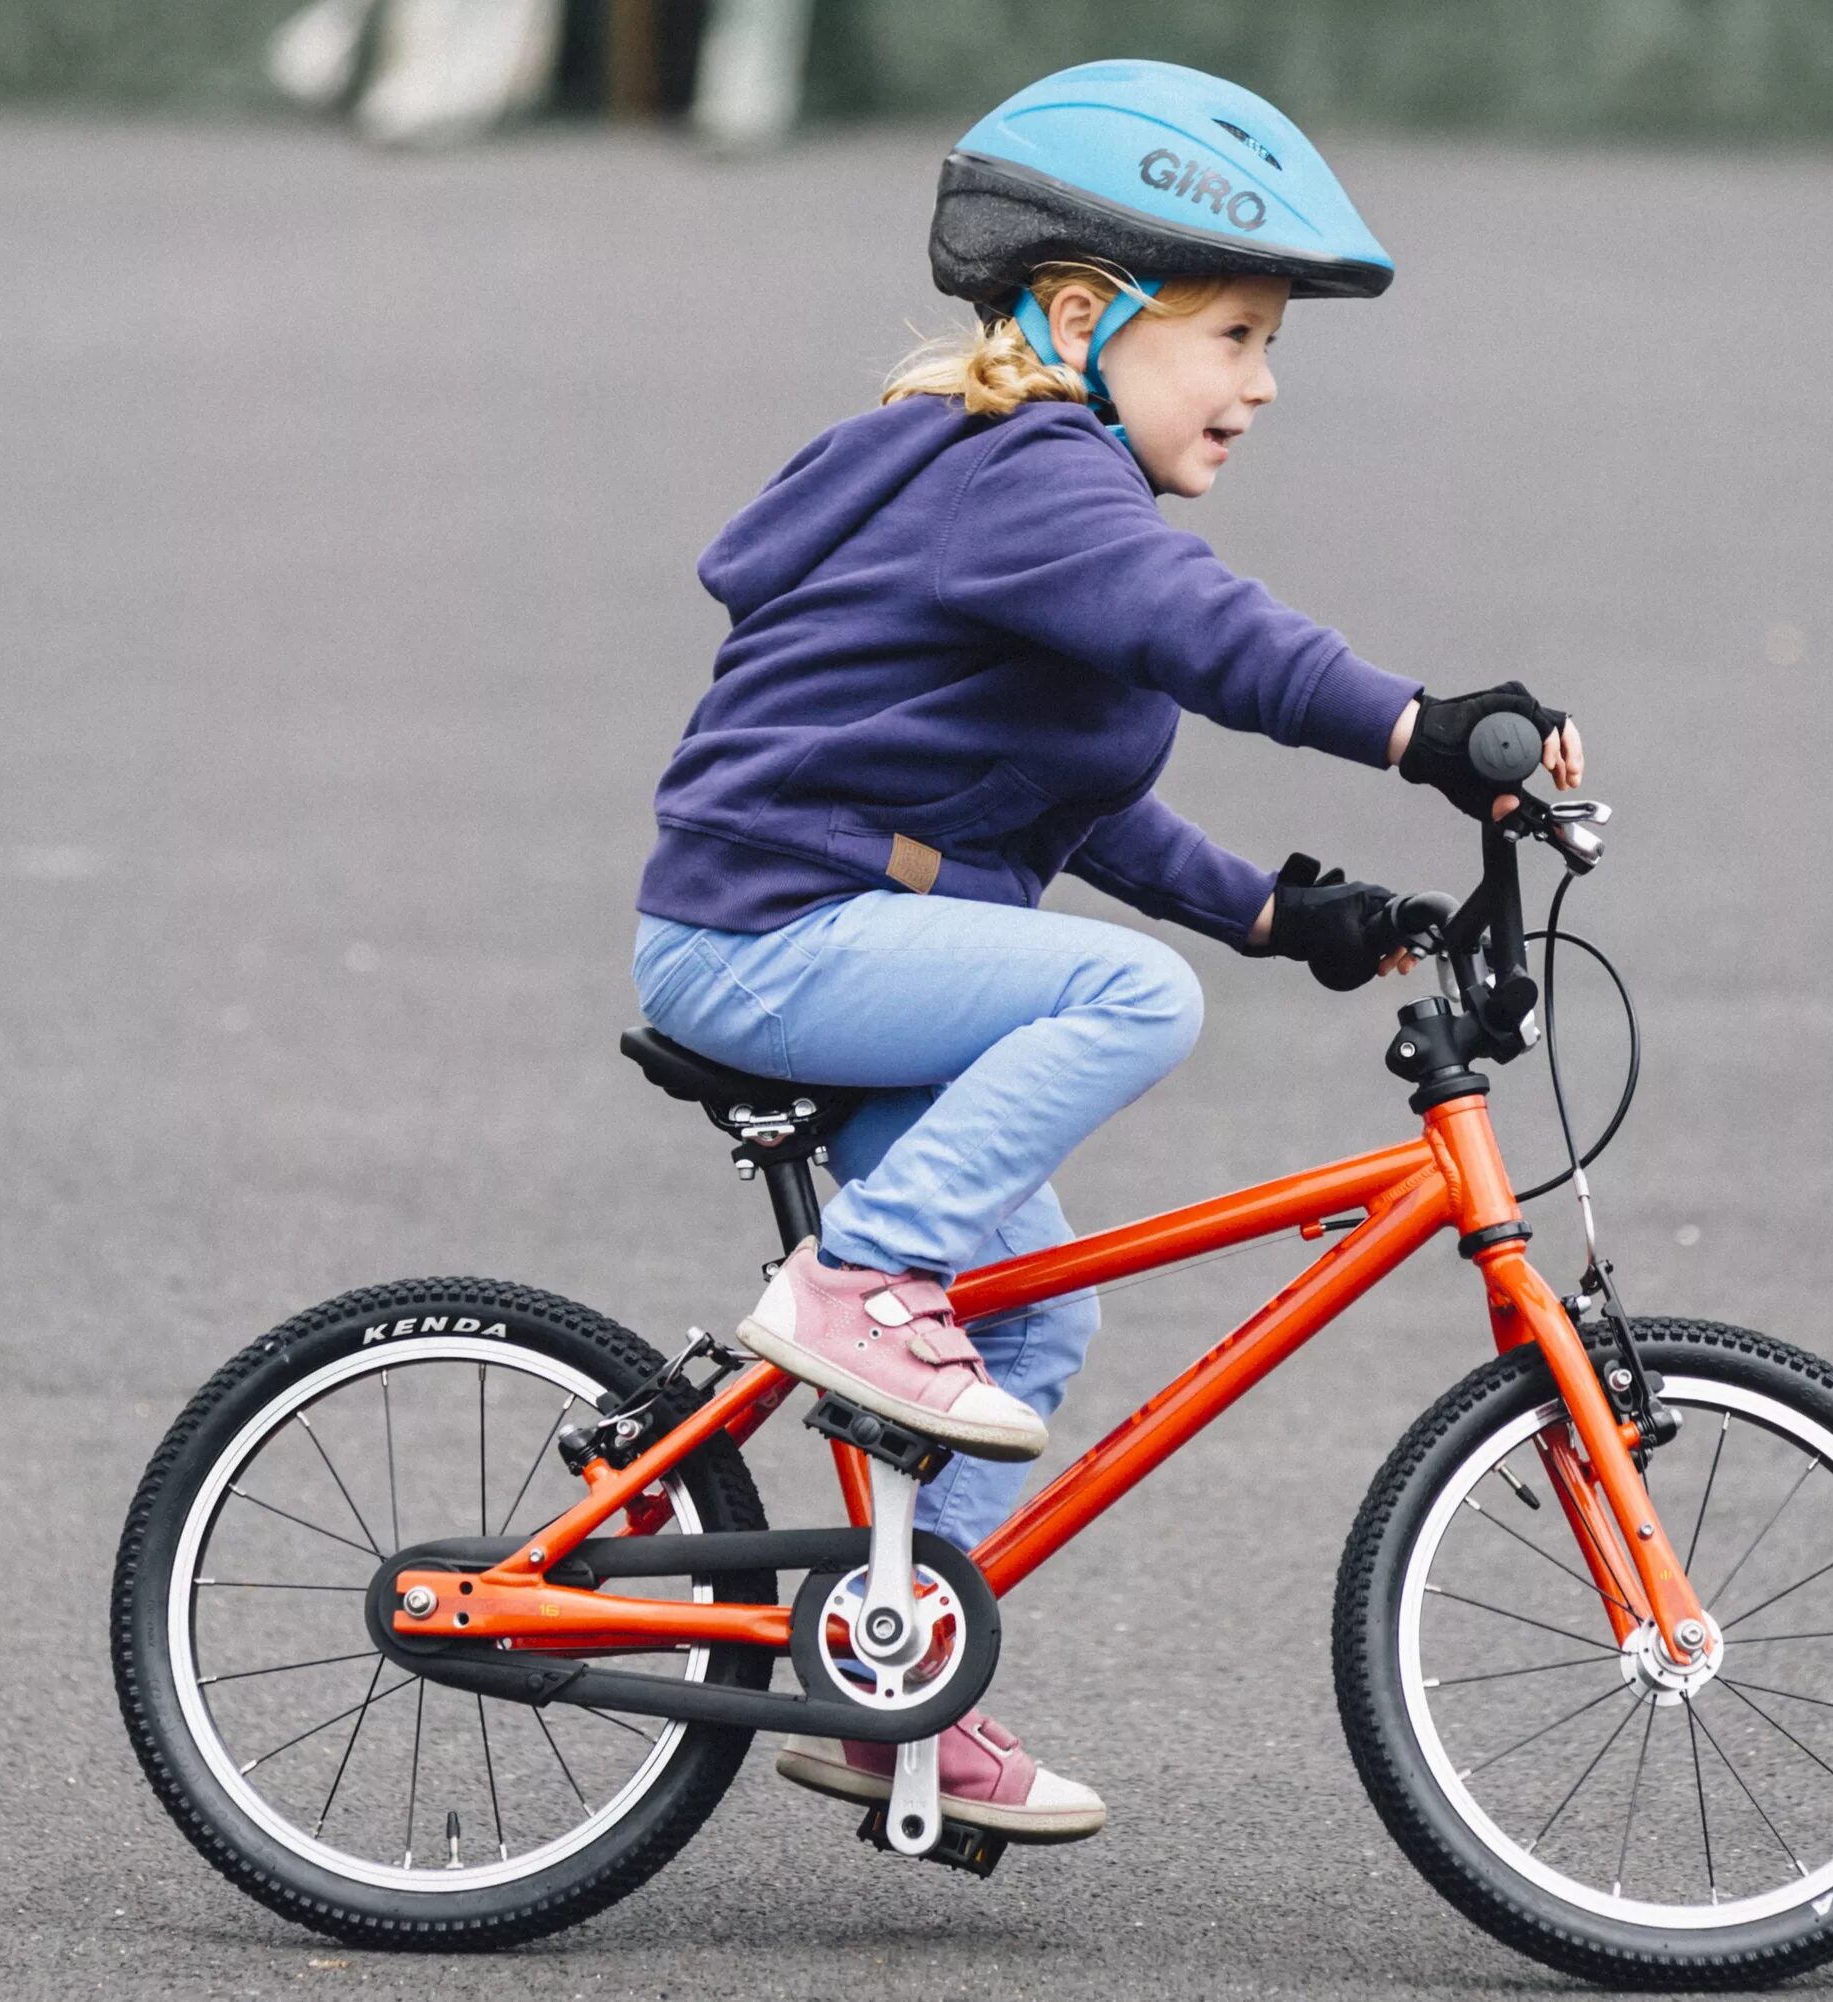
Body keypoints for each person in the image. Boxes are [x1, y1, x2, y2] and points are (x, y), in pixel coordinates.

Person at [630, 61, 1585, 1843]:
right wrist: (1419, 727)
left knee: (1038, 1312)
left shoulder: (1028, 510)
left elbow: (1072, 804)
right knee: (1124, 996)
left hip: (844, 932)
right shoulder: (1030, 472)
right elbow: (1202, 633)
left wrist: (1288, 914)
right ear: (1082, 314)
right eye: (1230, 332)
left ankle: (886, 1677)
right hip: (767, 937)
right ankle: (857, 1289)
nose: (1263, 379)